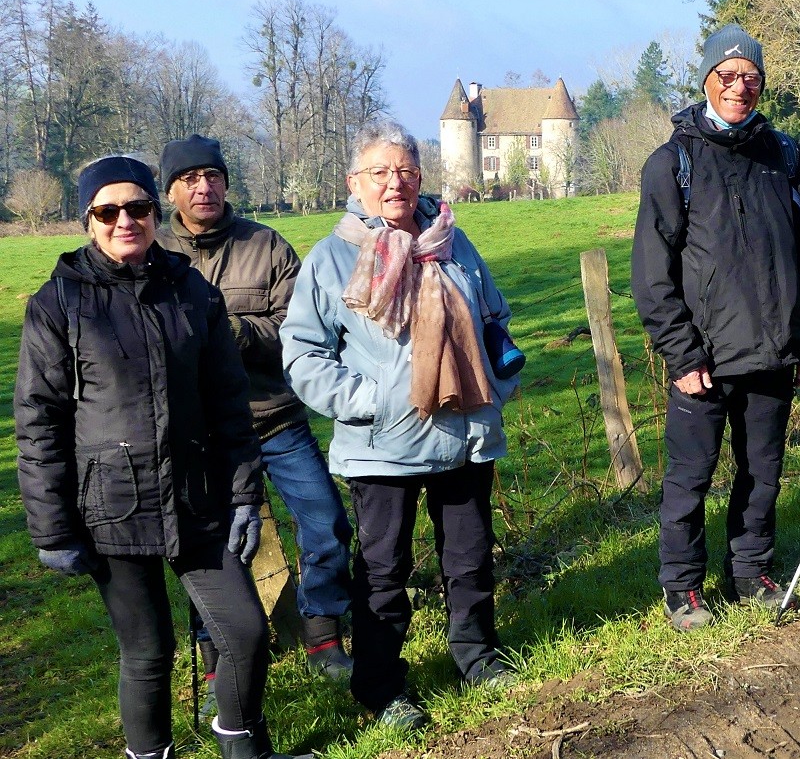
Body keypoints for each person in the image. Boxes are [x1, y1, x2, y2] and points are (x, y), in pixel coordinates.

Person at [14, 156, 310, 759]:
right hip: (112, 508)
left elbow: (230, 402)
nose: (126, 220)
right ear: (89, 220)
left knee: (247, 634)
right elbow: (38, 422)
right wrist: (52, 530)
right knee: (148, 651)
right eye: (109, 211)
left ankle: (241, 747)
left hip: (197, 496)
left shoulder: (190, 289)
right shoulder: (58, 303)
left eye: (139, 208)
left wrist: (245, 496)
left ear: (155, 212)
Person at [281, 119, 520, 731]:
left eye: (407, 172)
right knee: (383, 572)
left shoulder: (452, 240)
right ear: (354, 182)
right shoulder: (333, 257)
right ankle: (383, 686)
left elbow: (494, 315)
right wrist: (371, 402)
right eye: (381, 173)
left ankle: (476, 655)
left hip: (466, 433)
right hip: (383, 443)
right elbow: (304, 353)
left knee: (468, 557)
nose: (396, 184)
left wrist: (498, 380)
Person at [631, 23, 800, 631]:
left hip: (774, 352)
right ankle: (682, 587)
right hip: (705, 360)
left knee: (763, 473)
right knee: (689, 480)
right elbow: (652, 273)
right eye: (727, 75)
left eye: (750, 77)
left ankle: (750, 570)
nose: (739, 87)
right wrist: (681, 354)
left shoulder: (786, 156)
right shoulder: (674, 163)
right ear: (707, 80)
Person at [155, 135, 354, 706]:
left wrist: (228, 334)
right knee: (208, 545)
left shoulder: (265, 246)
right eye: (190, 178)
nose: (204, 187)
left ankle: (322, 634)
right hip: (199, 436)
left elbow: (298, 330)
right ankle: (217, 651)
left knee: (326, 525)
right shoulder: (154, 251)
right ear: (170, 190)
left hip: (275, 419)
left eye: (213, 176)